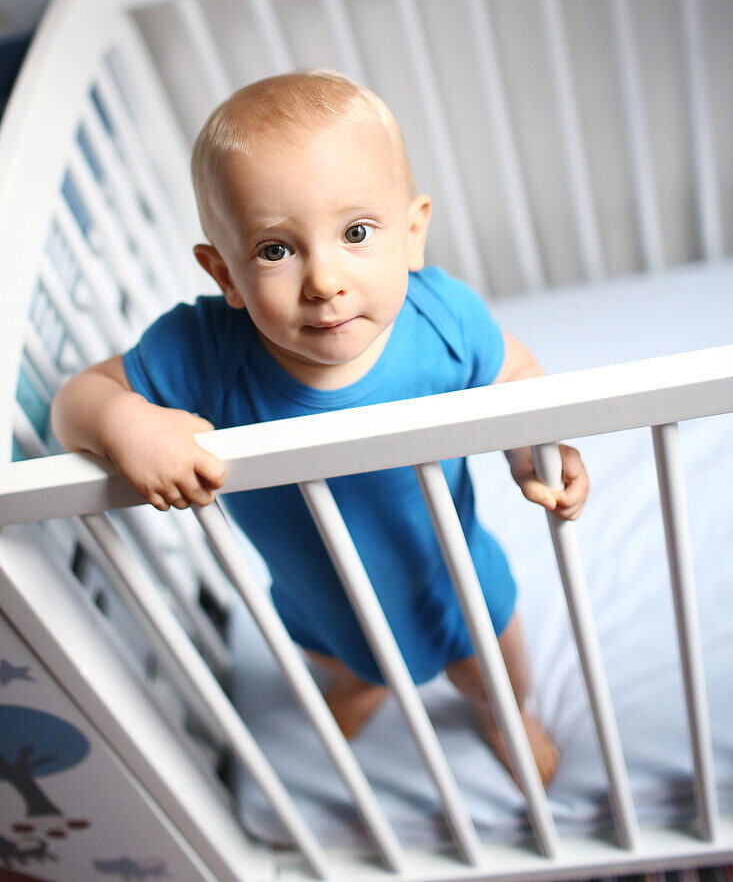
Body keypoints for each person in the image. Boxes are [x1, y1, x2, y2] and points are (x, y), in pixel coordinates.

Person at [52, 69, 589, 787]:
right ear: (225, 275)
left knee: (496, 670)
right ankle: (362, 683)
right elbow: (75, 400)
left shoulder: (440, 319)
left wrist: (536, 451)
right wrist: (126, 422)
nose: (323, 280)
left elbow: (514, 376)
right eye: (276, 249)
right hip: (318, 602)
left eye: (356, 233)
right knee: (340, 661)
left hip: (453, 583)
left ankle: (504, 716)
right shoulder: (207, 351)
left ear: (411, 233)